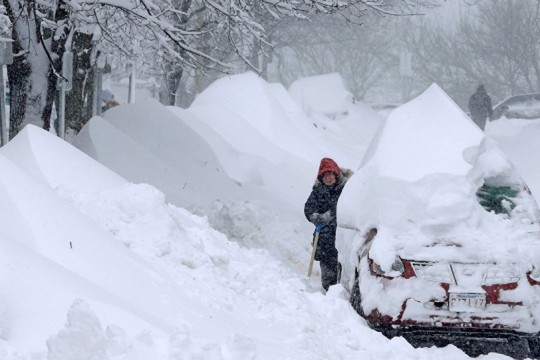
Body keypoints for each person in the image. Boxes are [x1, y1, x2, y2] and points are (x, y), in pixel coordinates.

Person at [304, 157, 353, 291]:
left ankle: (345, 293)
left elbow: (351, 207)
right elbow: (308, 208)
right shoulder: (318, 191)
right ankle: (329, 294)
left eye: (330, 174)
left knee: (344, 266)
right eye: (325, 176)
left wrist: (331, 215)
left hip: (344, 234)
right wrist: (317, 217)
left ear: (336, 174)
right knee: (327, 266)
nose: (328, 178)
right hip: (325, 237)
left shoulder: (347, 188)